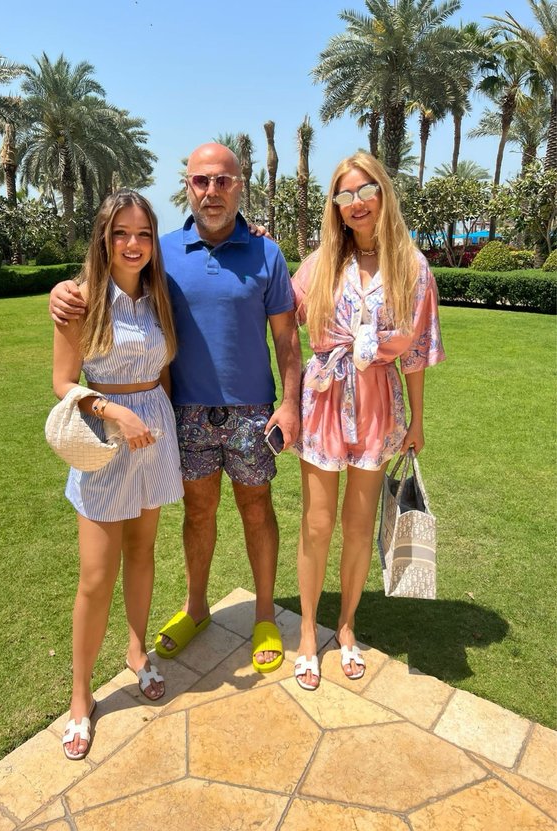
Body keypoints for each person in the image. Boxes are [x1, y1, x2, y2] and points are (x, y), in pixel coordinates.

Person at [50, 143, 301, 674]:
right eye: (201, 181)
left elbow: (286, 337)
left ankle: (264, 615)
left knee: (257, 509)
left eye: (223, 180)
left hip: (252, 411)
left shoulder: (267, 253)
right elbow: (107, 279)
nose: (212, 191)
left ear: (240, 186)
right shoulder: (160, 254)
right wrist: (62, 291)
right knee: (197, 513)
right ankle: (197, 607)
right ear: (187, 186)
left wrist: (291, 402)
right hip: (182, 411)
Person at [291, 151, 445, 691]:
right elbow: (276, 311)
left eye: (365, 191)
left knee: (358, 528)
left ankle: (347, 627)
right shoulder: (319, 265)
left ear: (383, 193)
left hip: (379, 404)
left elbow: (416, 354)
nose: (356, 204)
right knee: (317, 524)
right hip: (325, 402)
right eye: (345, 195)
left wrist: (417, 421)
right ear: (334, 205)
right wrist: (257, 244)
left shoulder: (412, 268)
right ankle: (307, 633)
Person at [53, 190, 183, 759]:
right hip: (105, 440)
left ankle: (136, 651)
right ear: (104, 239)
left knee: (143, 553)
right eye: (121, 233)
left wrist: (153, 419)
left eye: (143, 234)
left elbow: (164, 370)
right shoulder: (80, 299)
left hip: (153, 436)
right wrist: (114, 411)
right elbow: (63, 382)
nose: (133, 244)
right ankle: (80, 697)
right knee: (95, 575)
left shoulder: (159, 296)